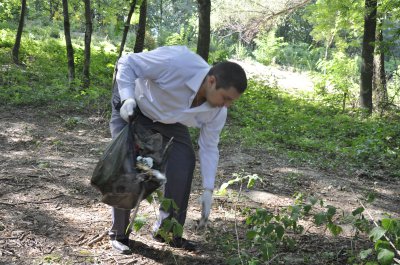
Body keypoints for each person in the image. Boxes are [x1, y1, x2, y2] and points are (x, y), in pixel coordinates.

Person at [109, 45, 247, 253]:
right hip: (136, 105)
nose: (226, 105)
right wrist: (128, 97)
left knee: (183, 163)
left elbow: (209, 147)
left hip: (170, 120)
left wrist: (208, 189)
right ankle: (119, 233)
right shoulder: (177, 62)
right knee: (128, 164)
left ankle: (168, 231)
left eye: (231, 101)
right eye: (226, 98)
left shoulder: (217, 110)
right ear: (211, 81)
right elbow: (128, 62)